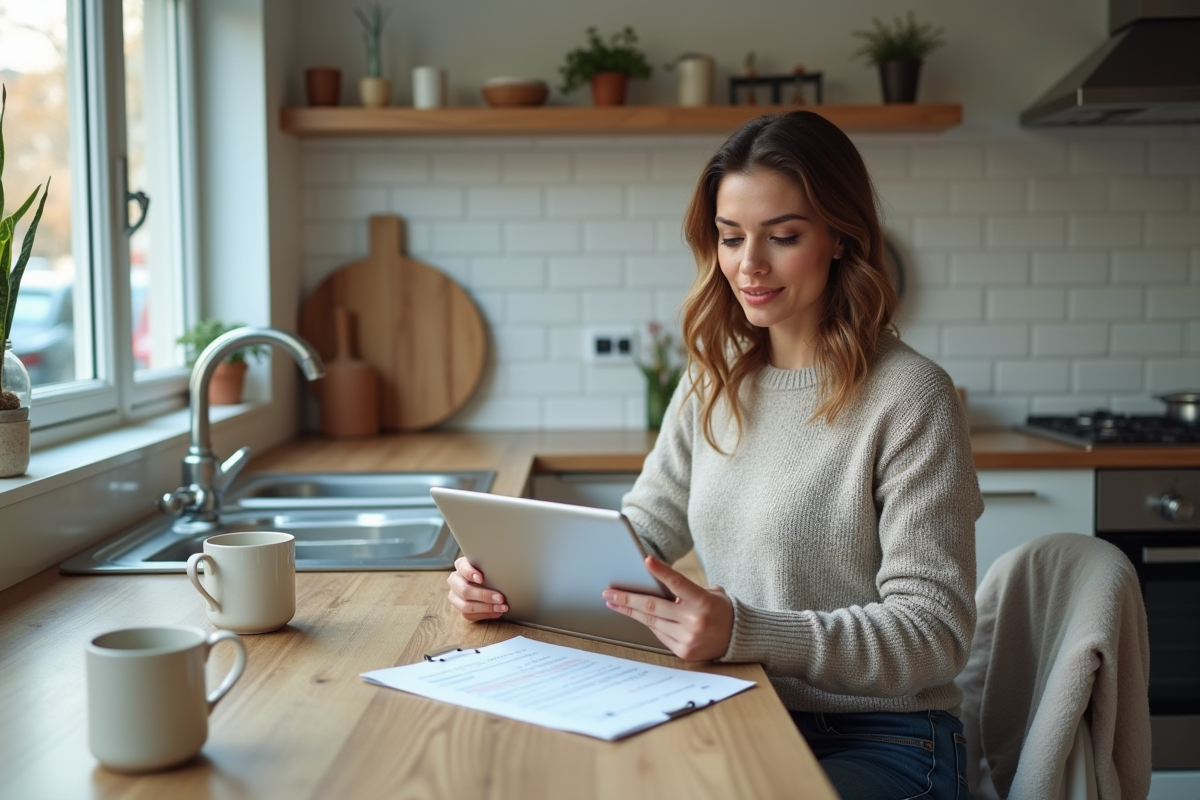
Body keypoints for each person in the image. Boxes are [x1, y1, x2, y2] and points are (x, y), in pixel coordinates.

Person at [447, 110, 983, 799]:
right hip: (739, 706)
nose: (749, 266)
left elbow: (933, 634)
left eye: (783, 237)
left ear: (841, 238)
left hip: (886, 740)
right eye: (731, 238)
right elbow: (642, 534)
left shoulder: (912, 397)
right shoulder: (715, 378)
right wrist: (510, 576)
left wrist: (747, 631)